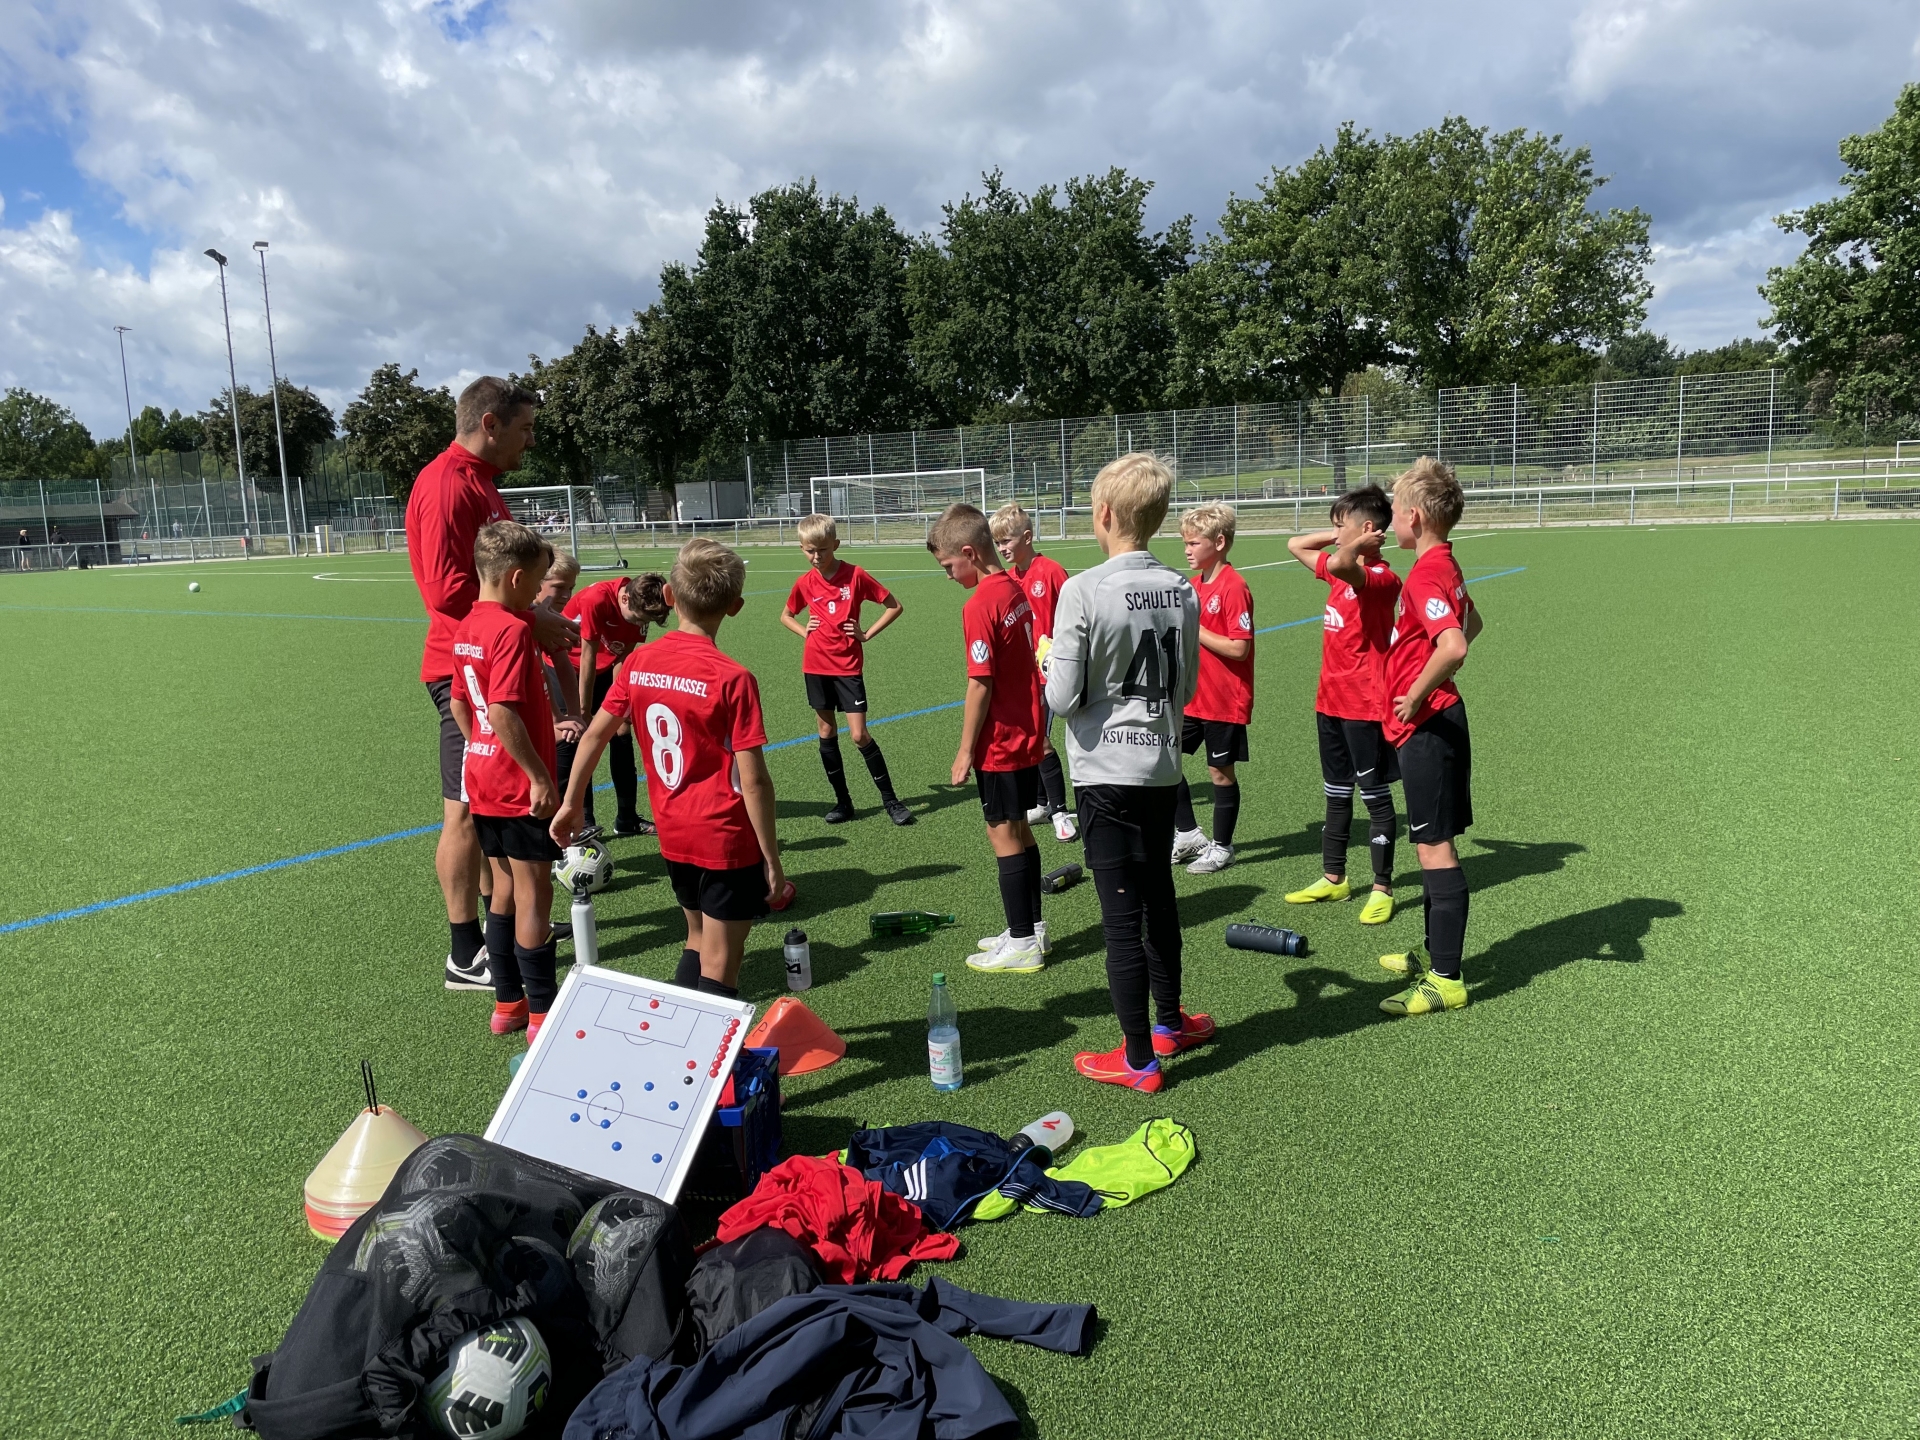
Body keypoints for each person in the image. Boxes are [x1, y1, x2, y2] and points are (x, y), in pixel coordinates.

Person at [553, 538, 785, 997]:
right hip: (724, 835)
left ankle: (676, 1032)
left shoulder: (638, 661)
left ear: (669, 596)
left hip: (673, 830)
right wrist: (771, 858)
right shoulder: (733, 678)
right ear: (735, 607)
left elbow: (595, 735)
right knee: (722, 961)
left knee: (697, 938)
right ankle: (705, 1045)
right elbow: (754, 781)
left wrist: (572, 802)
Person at [406, 376, 577, 993]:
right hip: (467, 669)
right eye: (524, 429)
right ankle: (465, 953)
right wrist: (531, 622)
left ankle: (504, 926)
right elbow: (446, 593)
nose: (529, 441)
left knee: (490, 808)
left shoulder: (479, 481)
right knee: (462, 811)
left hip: (495, 662)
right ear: (490, 424)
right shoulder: (447, 486)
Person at [1044, 454, 1204, 1092]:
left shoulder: (1082, 589)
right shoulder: (1182, 587)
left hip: (1105, 771)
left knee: (1120, 920)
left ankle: (1139, 1059)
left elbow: (1062, 698)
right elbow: (1186, 685)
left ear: (1105, 513)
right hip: (1161, 766)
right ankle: (1170, 1024)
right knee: (1159, 900)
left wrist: (1048, 663)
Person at [1372, 458, 1483, 1016]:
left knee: (1434, 846)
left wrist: (1416, 693)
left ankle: (1446, 978)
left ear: (1414, 517)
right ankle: (1436, 954)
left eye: (1394, 511)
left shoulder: (1424, 574)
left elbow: (1455, 643)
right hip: (1432, 724)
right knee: (1428, 843)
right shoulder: (1443, 564)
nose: (1390, 521)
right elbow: (1473, 622)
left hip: (1430, 726)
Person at [446, 522, 564, 1043]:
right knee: (535, 893)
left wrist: (481, 748)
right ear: (516, 578)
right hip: (518, 785)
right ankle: (541, 1013)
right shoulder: (512, 630)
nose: (538, 594)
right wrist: (538, 774)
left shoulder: (467, 624)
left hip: (482, 776)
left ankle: (507, 1004)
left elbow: (460, 703)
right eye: (537, 583)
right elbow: (501, 711)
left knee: (503, 891)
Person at [927, 503, 1048, 974]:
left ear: (968, 553)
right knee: (1019, 828)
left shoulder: (979, 603)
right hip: (1026, 728)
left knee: (1001, 832)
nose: (947, 575)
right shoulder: (1014, 588)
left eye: (947, 566)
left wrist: (964, 751)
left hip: (1000, 740)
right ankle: (1031, 927)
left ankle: (1022, 941)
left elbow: (980, 682)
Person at [1284, 485, 1403, 925]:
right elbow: (1295, 545)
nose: (1334, 534)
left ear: (1368, 529)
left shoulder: (1382, 578)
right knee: (1335, 793)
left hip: (1365, 706)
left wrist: (1354, 545)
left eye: (1340, 525)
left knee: (1374, 798)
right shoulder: (1342, 566)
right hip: (1329, 702)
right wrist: (1344, 535)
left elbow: (1340, 563)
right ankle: (1334, 878)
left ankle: (1382, 887)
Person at [781, 514, 912, 826]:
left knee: (858, 734)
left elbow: (894, 606)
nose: (816, 556)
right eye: (810, 551)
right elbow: (786, 615)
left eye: (823, 550)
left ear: (836, 545)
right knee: (826, 732)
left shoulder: (856, 575)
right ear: (801, 548)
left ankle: (891, 801)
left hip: (847, 666)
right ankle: (843, 802)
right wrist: (805, 631)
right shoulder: (804, 583)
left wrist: (866, 634)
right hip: (815, 666)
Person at [1168, 503, 1255, 874]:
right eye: (1185, 542)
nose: (1187, 550)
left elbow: (1239, 648)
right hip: (1193, 696)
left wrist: (1196, 630)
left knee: (1220, 773)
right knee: (1164, 760)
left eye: (1194, 543)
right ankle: (1188, 833)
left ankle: (1222, 847)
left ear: (1219, 543)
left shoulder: (1234, 587)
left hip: (1224, 699)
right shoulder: (1194, 585)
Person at [990, 503, 1076, 842]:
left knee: (1040, 741)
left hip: (1051, 674)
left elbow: (1074, 618)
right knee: (1032, 742)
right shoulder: (1009, 579)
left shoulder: (1051, 571)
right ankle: (1041, 804)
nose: (1002, 548)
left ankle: (1060, 812)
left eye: (1007, 541)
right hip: (1021, 676)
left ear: (1027, 537)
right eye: (997, 543)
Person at [563, 571, 670, 835]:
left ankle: (627, 819)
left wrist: (621, 703)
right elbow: (587, 658)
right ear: (624, 598)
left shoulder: (642, 607)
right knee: (580, 736)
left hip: (604, 668)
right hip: (568, 668)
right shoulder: (596, 599)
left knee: (622, 731)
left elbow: (623, 656)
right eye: (637, 619)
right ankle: (585, 821)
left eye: (644, 621)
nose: (640, 624)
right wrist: (584, 710)